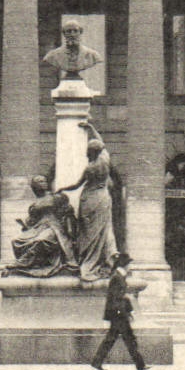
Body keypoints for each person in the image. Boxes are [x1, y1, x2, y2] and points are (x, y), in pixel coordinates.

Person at [58, 121, 118, 282]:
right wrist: (91, 127)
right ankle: (106, 260)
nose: (85, 152)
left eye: (87, 150)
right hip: (103, 199)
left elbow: (77, 185)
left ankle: (88, 262)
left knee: (88, 232)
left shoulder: (90, 168)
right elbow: (102, 143)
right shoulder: (105, 160)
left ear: (90, 152)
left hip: (89, 201)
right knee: (103, 230)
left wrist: (62, 188)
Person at [4, 176, 77, 278]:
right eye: (40, 181)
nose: (44, 183)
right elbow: (31, 221)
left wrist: (70, 229)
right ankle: (27, 263)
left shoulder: (56, 197)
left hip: (54, 227)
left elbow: (68, 212)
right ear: (34, 186)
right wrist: (24, 225)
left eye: (44, 181)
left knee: (41, 240)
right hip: (38, 227)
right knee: (16, 241)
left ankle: (21, 263)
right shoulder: (35, 204)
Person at [90, 253, 148, 370]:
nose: (130, 267)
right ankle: (140, 365)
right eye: (129, 264)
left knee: (117, 340)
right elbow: (117, 298)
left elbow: (120, 297)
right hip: (119, 315)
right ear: (124, 265)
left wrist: (128, 311)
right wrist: (124, 313)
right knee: (127, 340)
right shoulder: (117, 278)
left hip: (118, 314)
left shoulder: (119, 277)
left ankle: (97, 362)